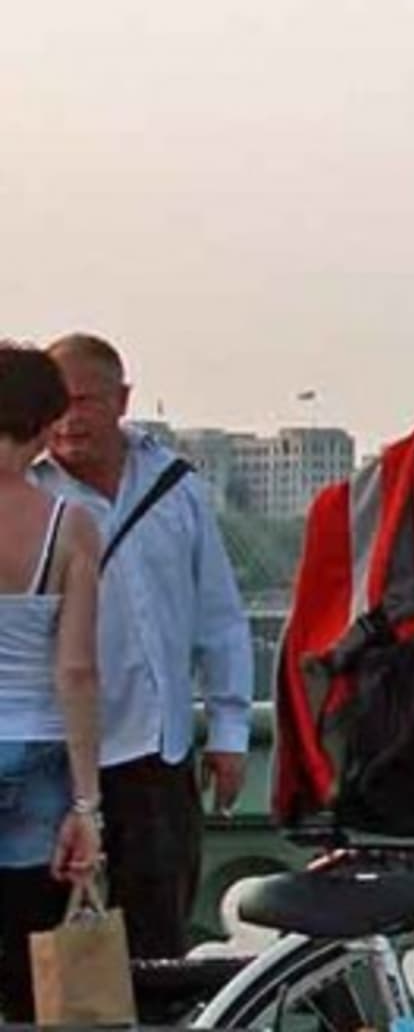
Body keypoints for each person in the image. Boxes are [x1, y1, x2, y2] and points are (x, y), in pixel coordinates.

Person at [31, 332, 247, 959]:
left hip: (155, 755)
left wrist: (229, 734)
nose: (69, 420)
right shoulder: (24, 495)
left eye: (84, 401)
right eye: (56, 404)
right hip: (53, 763)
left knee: (157, 948)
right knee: (57, 961)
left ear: (121, 400)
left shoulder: (175, 486)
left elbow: (221, 617)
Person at [0, 345, 108, 1022]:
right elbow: (76, 670)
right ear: (46, 424)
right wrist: (88, 806)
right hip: (38, 753)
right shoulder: (69, 525)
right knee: (36, 983)